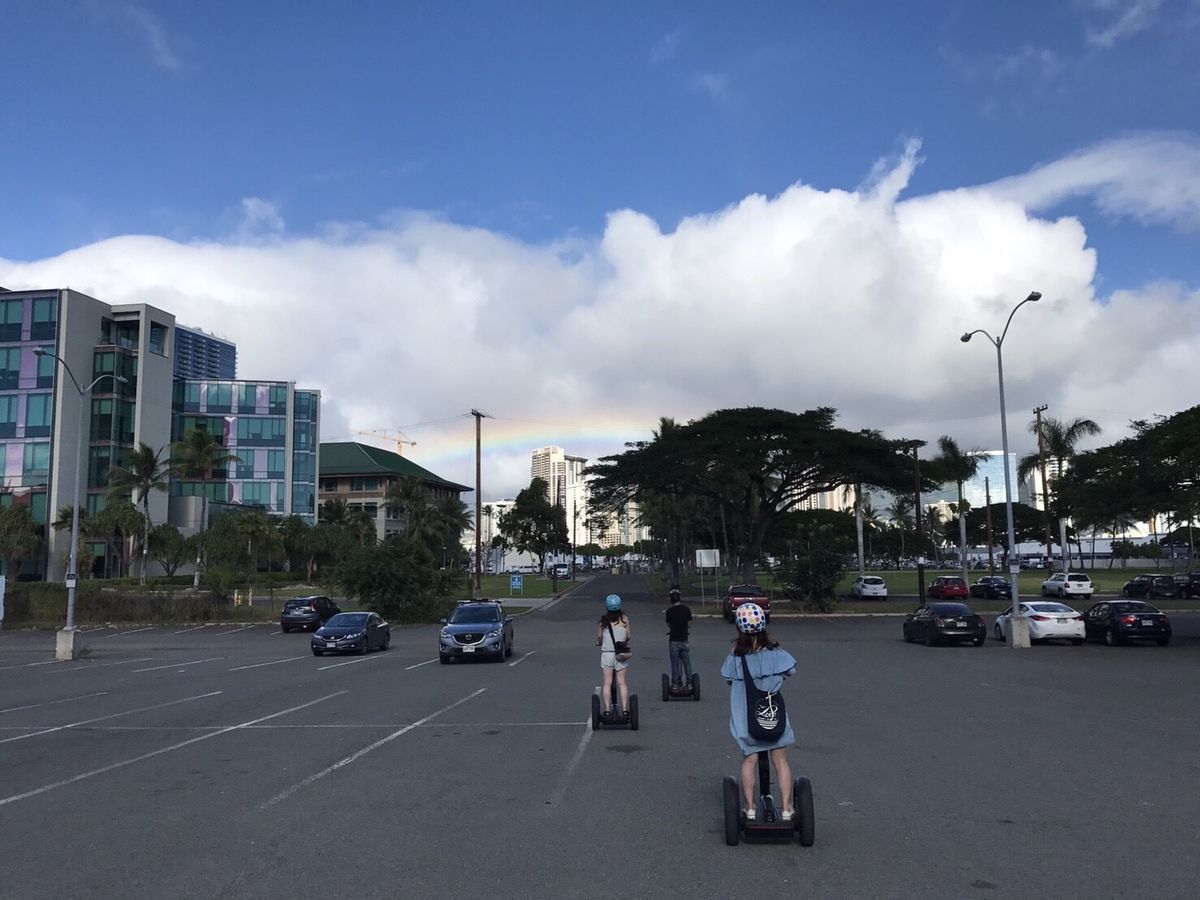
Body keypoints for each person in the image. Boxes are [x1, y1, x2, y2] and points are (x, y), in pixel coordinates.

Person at [721, 602, 797, 820]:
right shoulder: (776, 652)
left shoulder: (736, 656)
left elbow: (728, 678)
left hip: (747, 718)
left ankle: (750, 808)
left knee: (750, 759)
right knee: (780, 760)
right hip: (772, 714)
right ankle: (786, 808)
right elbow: (790, 670)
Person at [596, 593, 632, 715]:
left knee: (607, 682)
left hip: (607, 654)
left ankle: (607, 709)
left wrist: (600, 642)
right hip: (620, 654)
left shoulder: (602, 622)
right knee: (622, 682)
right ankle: (625, 710)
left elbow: (600, 638)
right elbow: (628, 636)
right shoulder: (624, 620)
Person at [664, 586, 693, 688]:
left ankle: (675, 683)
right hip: (684, 639)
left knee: (675, 663)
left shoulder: (669, 611)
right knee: (687, 662)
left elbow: (668, 624)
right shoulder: (686, 610)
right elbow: (689, 623)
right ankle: (690, 683)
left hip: (674, 640)